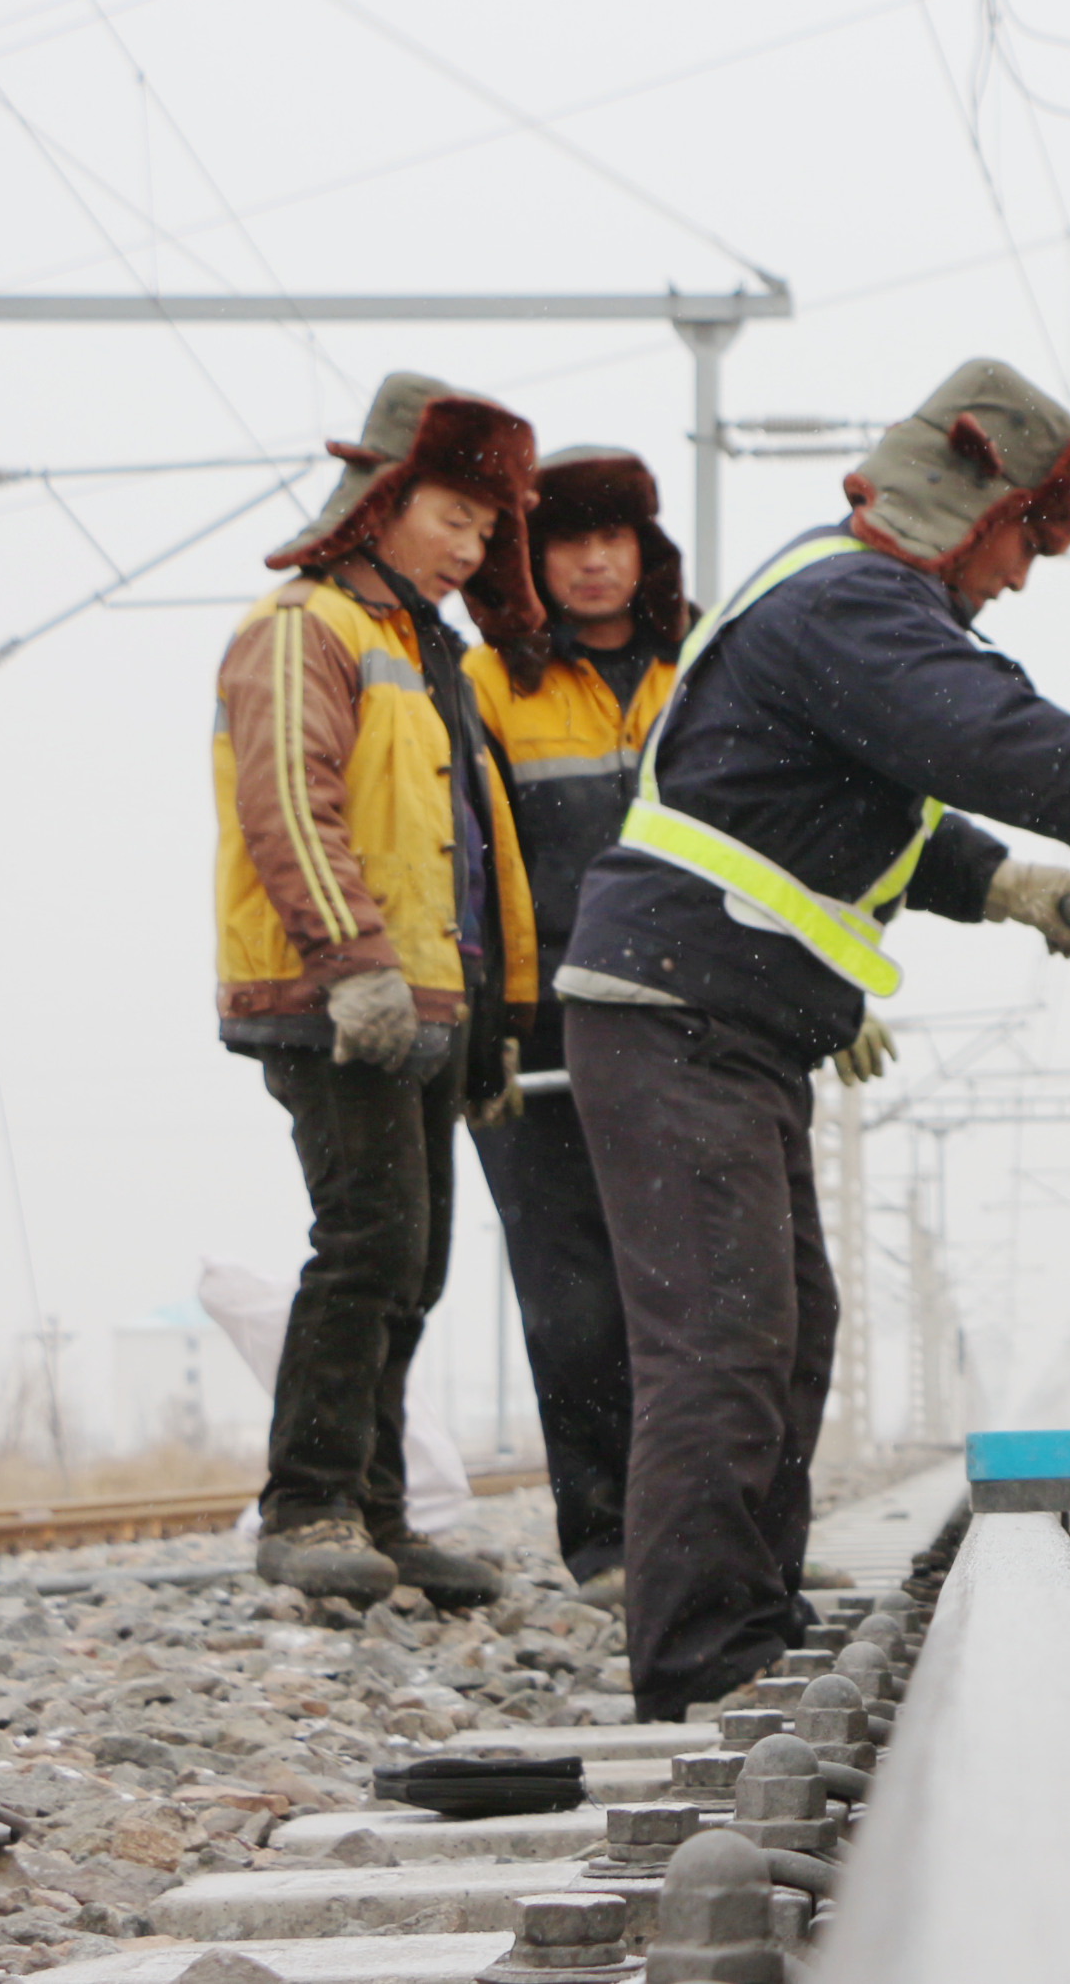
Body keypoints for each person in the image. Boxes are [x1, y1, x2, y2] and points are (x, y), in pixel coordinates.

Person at [556, 359, 1070, 1722]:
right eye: (1024, 541)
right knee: (721, 1340)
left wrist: (999, 881)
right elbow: (977, 729)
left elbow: (883, 793)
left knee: (780, 1331)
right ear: (974, 501)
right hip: (679, 1009)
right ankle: (703, 1666)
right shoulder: (853, 603)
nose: (1017, 579)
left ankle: (749, 1622)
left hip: (721, 1013)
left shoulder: (841, 606)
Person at [215, 372, 539, 1607]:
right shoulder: (308, 628)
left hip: (424, 1003)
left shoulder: (426, 651)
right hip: (334, 995)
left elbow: (466, 847)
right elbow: (291, 802)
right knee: (363, 1246)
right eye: (449, 516)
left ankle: (380, 1512)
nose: (468, 546)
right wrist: (354, 967)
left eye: (482, 527)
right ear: (383, 500)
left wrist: (495, 1016)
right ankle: (308, 1505)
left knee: (416, 1260)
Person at [463, 445, 686, 1609]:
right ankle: (602, 1536)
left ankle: (706, 1522)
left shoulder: (700, 664)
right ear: (531, 560)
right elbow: (466, 863)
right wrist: (483, 1023)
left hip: (682, 1012)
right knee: (570, 1285)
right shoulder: (490, 681)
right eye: (568, 541)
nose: (596, 559)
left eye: (617, 537)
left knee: (696, 1275)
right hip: (537, 1027)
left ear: (648, 550)